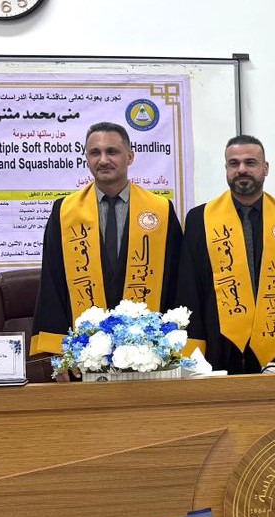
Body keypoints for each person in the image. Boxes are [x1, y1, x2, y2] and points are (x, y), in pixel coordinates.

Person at [31, 122, 183, 356]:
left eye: (112, 151)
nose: (103, 160)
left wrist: (171, 345)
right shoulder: (65, 212)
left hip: (148, 351)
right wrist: (58, 351)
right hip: (84, 352)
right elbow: (53, 282)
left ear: (130, 157)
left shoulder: (160, 210)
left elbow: (176, 282)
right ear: (87, 158)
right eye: (95, 153)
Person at [175, 135, 275, 373]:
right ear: (226, 169)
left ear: (265, 168)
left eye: (250, 162)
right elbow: (190, 288)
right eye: (234, 163)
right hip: (220, 344)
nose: (241, 169)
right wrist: (193, 350)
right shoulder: (200, 219)